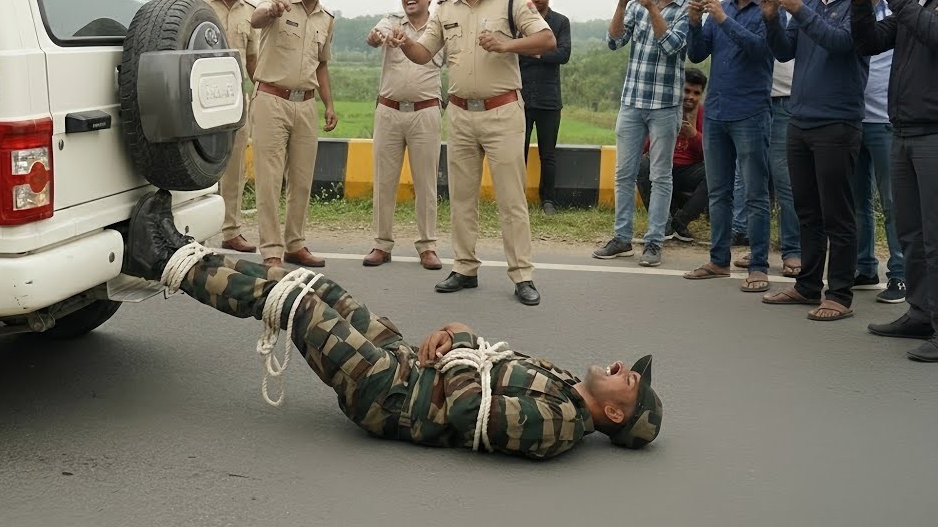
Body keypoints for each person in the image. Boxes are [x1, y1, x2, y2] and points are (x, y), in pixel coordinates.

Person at [121, 189, 664, 460]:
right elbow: (481, 368)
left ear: (615, 412)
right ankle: (180, 253)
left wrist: (461, 346)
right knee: (320, 288)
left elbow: (470, 410)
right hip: (406, 365)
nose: (621, 366)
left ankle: (166, 261)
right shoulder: (566, 388)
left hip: (391, 396)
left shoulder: (562, 426)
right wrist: (457, 335)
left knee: (299, 308)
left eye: (629, 380)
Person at [391, 0, 557, 306]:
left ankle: (522, 274)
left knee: (511, 199)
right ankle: (465, 268)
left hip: (502, 111)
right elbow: (423, 53)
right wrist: (404, 42)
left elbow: (546, 39)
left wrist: (506, 45)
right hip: (461, 113)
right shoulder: (445, 9)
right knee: (462, 197)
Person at [761, 0, 869, 321]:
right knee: (807, 211)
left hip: (837, 122)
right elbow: (785, 50)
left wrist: (798, 11)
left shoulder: (860, 3)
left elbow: (841, 44)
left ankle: (839, 294)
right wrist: (772, 18)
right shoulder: (806, 2)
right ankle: (808, 286)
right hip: (800, 119)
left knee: (838, 213)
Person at [851, 0, 938, 361]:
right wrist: (864, 1)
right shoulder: (917, 1)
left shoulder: (916, 3)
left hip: (933, 134)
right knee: (912, 233)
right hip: (903, 129)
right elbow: (869, 42)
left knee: (935, 234)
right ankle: (921, 312)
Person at [593, 0, 694, 268]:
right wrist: (622, 4)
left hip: (665, 105)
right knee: (624, 173)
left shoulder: (687, 8)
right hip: (632, 101)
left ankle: (653, 241)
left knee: (661, 175)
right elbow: (614, 40)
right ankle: (622, 238)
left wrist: (653, 9)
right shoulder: (637, 5)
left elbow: (672, 47)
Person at [684, 0, 773, 292]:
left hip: (750, 112)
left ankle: (759, 265)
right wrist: (695, 22)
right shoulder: (718, 8)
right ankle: (719, 260)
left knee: (754, 194)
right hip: (717, 112)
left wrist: (721, 20)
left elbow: (760, 50)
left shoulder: (769, 9)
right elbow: (697, 52)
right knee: (719, 192)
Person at [249, 0, 339, 269]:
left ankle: (295, 244)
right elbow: (256, 18)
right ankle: (271, 250)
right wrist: (271, 10)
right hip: (271, 100)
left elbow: (323, 65)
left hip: (306, 105)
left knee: (301, 180)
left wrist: (329, 104)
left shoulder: (326, 18)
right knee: (270, 179)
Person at [362, 0, 444, 271]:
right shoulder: (391, 21)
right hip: (389, 111)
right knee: (384, 181)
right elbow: (376, 36)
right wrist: (375, 37)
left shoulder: (441, 26)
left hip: (425, 112)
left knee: (426, 182)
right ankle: (381, 244)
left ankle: (427, 246)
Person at [191, 0, 260, 253]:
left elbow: (254, 60)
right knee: (197, 165)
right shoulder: (195, 2)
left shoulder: (251, 12)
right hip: (197, 98)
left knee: (234, 168)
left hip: (235, 100)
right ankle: (193, 232)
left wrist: (260, 93)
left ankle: (231, 230)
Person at [851, 0, 907, 303]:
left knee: (893, 203)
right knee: (858, 202)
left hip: (886, 120)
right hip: (854, 117)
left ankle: (900, 275)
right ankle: (865, 265)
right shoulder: (855, 7)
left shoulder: (903, 11)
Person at [762, 0, 805, 279]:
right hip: (756, 100)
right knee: (752, 181)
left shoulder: (803, 5)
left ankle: (793, 251)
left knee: (786, 180)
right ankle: (757, 249)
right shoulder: (757, 2)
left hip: (787, 100)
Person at [521, 0, 573, 216]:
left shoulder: (560, 22)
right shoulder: (520, 21)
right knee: (516, 152)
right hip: (520, 97)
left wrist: (536, 53)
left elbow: (563, 54)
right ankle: (516, 199)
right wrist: (540, 49)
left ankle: (548, 201)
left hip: (549, 99)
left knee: (547, 154)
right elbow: (513, 53)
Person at [638, 68, 708, 242]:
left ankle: (681, 221)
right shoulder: (664, 109)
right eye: (686, 90)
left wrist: (693, 135)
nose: (690, 96)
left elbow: (711, 153)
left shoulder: (704, 114)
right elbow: (646, 146)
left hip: (689, 171)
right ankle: (666, 225)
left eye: (696, 93)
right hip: (663, 167)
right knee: (642, 165)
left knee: (716, 171)